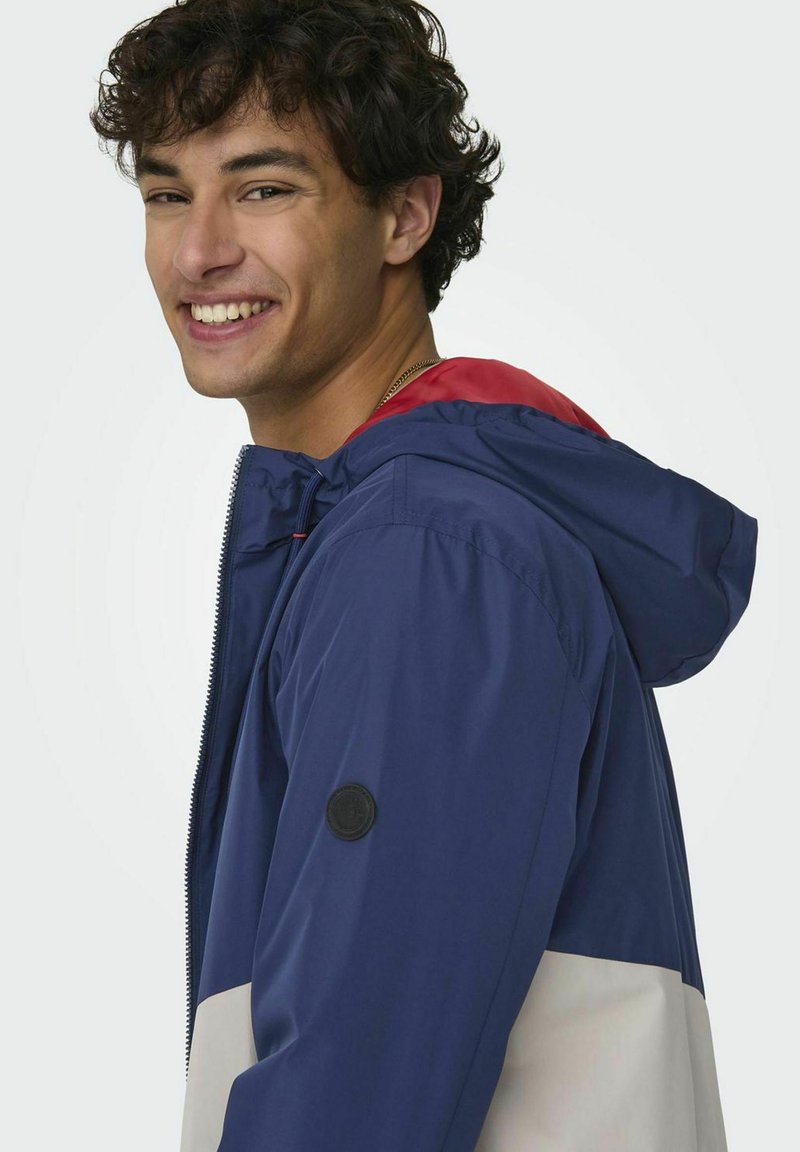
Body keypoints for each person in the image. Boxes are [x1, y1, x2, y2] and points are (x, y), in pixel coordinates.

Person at [89, 2, 758, 1150]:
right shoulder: (389, 533)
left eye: (262, 188)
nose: (197, 251)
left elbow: (356, 1092)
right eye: (165, 194)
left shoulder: (428, 555)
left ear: (404, 214)